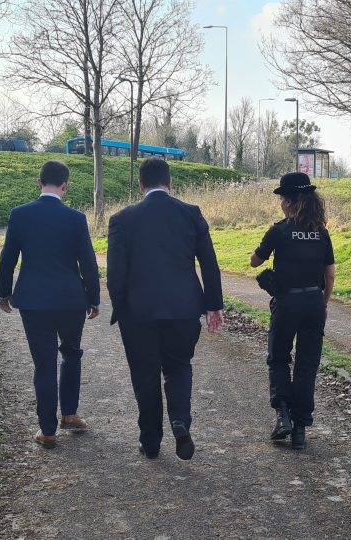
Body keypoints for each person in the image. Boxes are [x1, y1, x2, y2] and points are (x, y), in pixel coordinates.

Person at [106, 157, 224, 461]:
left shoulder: (122, 219)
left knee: (144, 375)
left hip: (138, 313)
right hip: (184, 309)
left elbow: (115, 273)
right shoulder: (191, 214)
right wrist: (213, 306)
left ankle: (151, 441)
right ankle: (180, 421)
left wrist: (120, 308)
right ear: (170, 184)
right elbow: (209, 264)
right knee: (179, 365)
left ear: (140, 185)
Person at [0, 160, 101, 449]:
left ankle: (47, 431)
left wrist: (4, 292)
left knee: (44, 364)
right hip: (71, 300)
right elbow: (88, 264)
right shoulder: (76, 218)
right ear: (65, 186)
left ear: (39, 183)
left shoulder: (20, 215)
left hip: (33, 301)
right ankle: (69, 414)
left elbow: (8, 258)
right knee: (71, 354)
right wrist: (93, 298)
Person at [250, 172, 335, 450]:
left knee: (278, 359)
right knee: (307, 366)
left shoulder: (280, 230)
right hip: (313, 302)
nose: (281, 205)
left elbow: (255, 261)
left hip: (286, 303)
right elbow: (330, 276)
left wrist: (260, 251)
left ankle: (282, 414)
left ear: (289, 202)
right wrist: (323, 303)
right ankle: (300, 430)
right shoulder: (322, 233)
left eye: (282, 200)